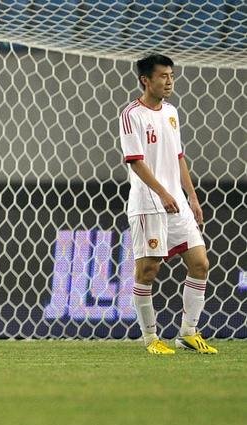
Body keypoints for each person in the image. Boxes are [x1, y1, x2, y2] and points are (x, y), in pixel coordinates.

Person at [119, 53, 217, 355]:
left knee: (200, 263)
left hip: (177, 203)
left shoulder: (172, 112)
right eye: (163, 76)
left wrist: (192, 197)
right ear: (145, 80)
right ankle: (150, 338)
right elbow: (136, 162)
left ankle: (188, 333)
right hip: (149, 204)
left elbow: (178, 157)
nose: (169, 81)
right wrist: (163, 193)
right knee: (148, 271)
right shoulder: (131, 115)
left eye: (171, 76)